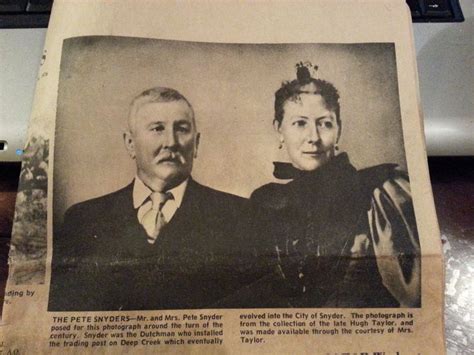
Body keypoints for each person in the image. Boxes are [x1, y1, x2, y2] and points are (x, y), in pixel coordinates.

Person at [49, 87, 256, 311]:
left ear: (196, 143)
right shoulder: (83, 219)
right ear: (130, 143)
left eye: (182, 129)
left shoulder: (239, 216)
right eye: (157, 129)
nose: (171, 142)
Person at [251, 62, 421, 308]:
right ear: (279, 130)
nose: (313, 137)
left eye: (325, 123)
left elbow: (414, 298)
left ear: (338, 130)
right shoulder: (265, 202)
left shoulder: (382, 192)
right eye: (300, 123)